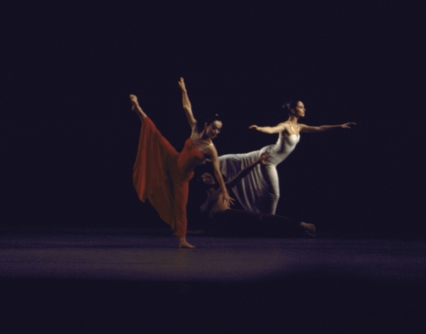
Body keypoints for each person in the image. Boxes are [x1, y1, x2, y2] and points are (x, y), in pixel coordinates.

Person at [130, 78, 233, 248]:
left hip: (182, 177)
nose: (216, 132)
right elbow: (186, 107)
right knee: (155, 135)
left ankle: (182, 239)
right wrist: (184, 90)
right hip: (173, 160)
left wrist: (224, 190)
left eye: (219, 129)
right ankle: (137, 108)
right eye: (214, 127)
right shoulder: (195, 129)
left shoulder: (211, 149)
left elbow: (216, 171)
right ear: (206, 125)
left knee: (180, 207)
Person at [219, 100, 355, 215]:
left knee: (238, 158)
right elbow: (271, 129)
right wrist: (259, 128)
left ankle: (264, 219)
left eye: (303, 107)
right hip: (268, 159)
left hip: (269, 153)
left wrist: (340, 126)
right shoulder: (284, 125)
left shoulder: (300, 127)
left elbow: (320, 128)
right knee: (274, 195)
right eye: (301, 107)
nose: (304, 109)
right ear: (292, 110)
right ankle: (270, 222)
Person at [199, 153, 316, 238]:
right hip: (225, 226)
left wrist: (256, 162)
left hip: (229, 215)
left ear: (214, 180)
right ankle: (299, 232)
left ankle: (301, 225)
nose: (206, 178)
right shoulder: (204, 203)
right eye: (203, 178)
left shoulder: (221, 190)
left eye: (208, 176)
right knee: (259, 229)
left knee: (262, 218)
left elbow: (239, 175)